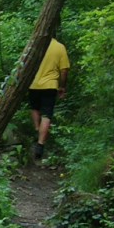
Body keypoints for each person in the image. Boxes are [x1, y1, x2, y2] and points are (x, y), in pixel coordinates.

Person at [28, 35, 70, 163]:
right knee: (46, 114)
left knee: (34, 107)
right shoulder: (59, 47)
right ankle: (40, 144)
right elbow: (64, 71)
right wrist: (62, 87)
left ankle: (37, 129)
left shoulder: (34, 45)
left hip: (33, 84)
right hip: (50, 85)